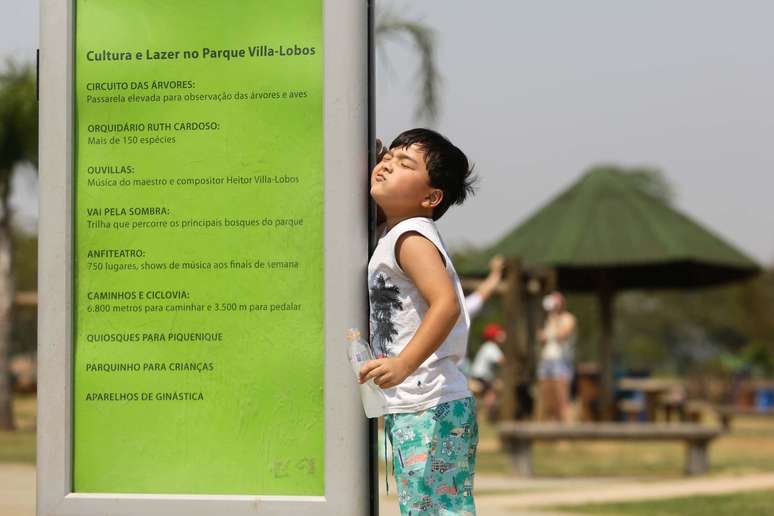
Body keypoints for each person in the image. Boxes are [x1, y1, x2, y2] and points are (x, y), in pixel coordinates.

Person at [361, 128, 478, 515]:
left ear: (430, 197)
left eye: (404, 163)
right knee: (426, 508)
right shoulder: (394, 233)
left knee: (436, 509)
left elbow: (445, 305)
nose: (388, 164)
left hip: (430, 404)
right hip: (421, 404)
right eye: (388, 157)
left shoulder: (411, 237)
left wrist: (403, 363)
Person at [537, 291, 577, 422]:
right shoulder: (548, 319)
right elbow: (542, 339)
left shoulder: (568, 318)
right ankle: (551, 433)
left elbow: (562, 335)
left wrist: (553, 319)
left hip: (561, 361)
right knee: (548, 400)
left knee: (562, 399)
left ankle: (567, 435)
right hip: (546, 361)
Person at [469, 323, 506, 418]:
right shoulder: (491, 346)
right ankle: (488, 413)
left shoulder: (486, 345)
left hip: (477, 376)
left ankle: (486, 413)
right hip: (481, 377)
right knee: (495, 389)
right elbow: (502, 361)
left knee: (493, 387)